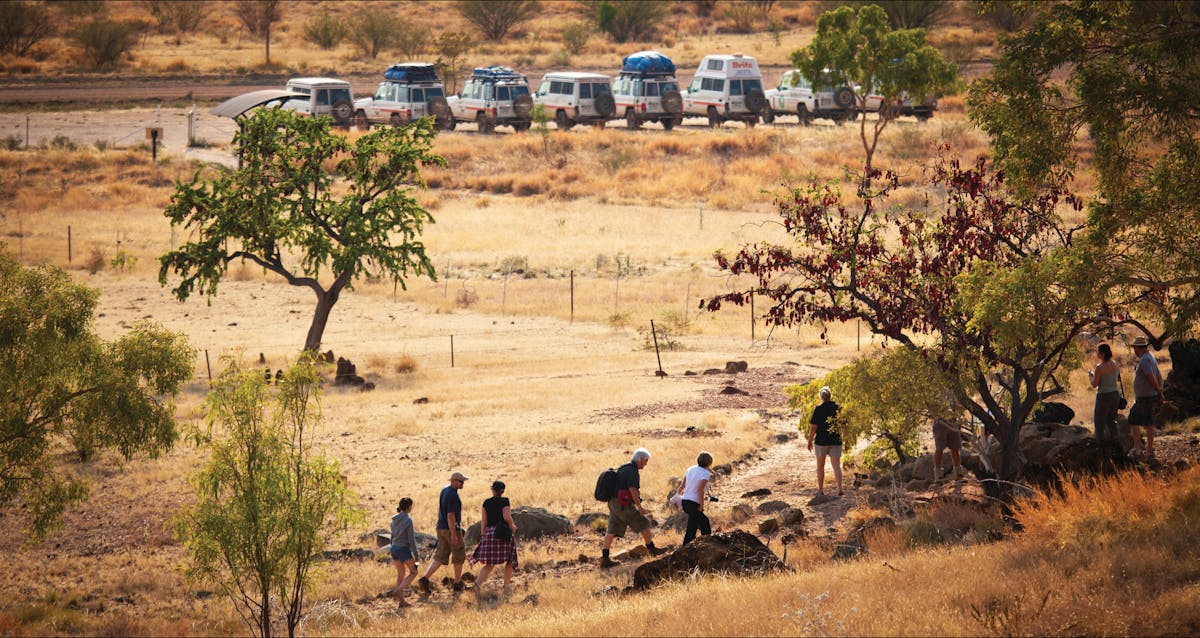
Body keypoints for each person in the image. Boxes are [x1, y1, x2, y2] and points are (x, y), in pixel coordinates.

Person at [600, 448, 667, 569]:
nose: (646, 464)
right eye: (646, 461)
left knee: (611, 529)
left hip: (613, 503)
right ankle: (651, 549)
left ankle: (605, 558)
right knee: (643, 522)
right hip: (622, 504)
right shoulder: (632, 471)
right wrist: (640, 507)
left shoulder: (624, 467)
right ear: (640, 460)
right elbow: (633, 490)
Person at [418, 471, 468, 595]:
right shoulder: (453, 495)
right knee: (459, 555)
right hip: (450, 528)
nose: (463, 484)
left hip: (440, 527)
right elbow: (450, 515)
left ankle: (425, 579)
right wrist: (454, 534)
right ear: (454, 481)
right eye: (461, 482)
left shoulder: (444, 490)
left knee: (441, 554)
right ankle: (457, 583)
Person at [470, 480, 519, 592]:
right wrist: (512, 526)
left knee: (490, 562)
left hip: (490, 533)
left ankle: (477, 584)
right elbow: (506, 517)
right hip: (503, 532)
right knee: (510, 559)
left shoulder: (486, 502)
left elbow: (484, 520)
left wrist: (483, 535)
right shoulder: (505, 501)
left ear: (492, 490)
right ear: (502, 491)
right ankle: (506, 585)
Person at [1129, 336, 1164, 457]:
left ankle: (1137, 447)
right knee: (1149, 423)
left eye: (1135, 348)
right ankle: (1148, 450)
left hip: (1146, 397)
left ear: (1138, 348)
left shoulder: (1145, 360)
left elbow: (1151, 376)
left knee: (1133, 419)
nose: (1134, 351)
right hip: (1149, 395)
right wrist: (1159, 391)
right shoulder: (1150, 357)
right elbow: (1158, 375)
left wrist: (1158, 390)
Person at [806, 386, 843, 496]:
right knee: (836, 466)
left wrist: (809, 440)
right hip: (835, 440)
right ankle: (840, 488)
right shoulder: (838, 408)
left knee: (820, 467)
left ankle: (821, 490)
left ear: (821, 397)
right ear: (830, 395)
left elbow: (813, 427)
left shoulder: (818, 409)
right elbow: (844, 424)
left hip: (821, 442)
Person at [676, 451, 713, 546]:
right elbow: (700, 490)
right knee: (704, 523)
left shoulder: (690, 469)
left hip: (685, 501)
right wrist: (701, 505)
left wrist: (677, 498)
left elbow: (682, 486)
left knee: (693, 526)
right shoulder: (706, 473)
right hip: (694, 503)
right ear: (709, 462)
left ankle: (687, 547)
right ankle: (709, 544)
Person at [1089, 342, 1122, 447]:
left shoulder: (1100, 367)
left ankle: (1100, 445)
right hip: (1115, 394)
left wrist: (1091, 377)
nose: (1096, 353)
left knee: (1099, 422)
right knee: (1111, 420)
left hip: (1104, 395)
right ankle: (1115, 443)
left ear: (1102, 354)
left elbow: (1095, 384)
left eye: (1098, 352)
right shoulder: (1115, 364)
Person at [389, 497, 420, 608]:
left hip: (394, 549)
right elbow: (411, 540)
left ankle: (401, 602)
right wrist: (416, 556)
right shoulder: (408, 520)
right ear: (409, 507)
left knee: (401, 574)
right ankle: (399, 589)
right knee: (414, 571)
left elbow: (391, 538)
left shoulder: (393, 520)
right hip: (403, 550)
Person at [932, 417, 964, 481]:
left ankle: (958, 474)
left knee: (955, 448)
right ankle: (938, 477)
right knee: (939, 449)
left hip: (953, 421)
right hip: (940, 422)